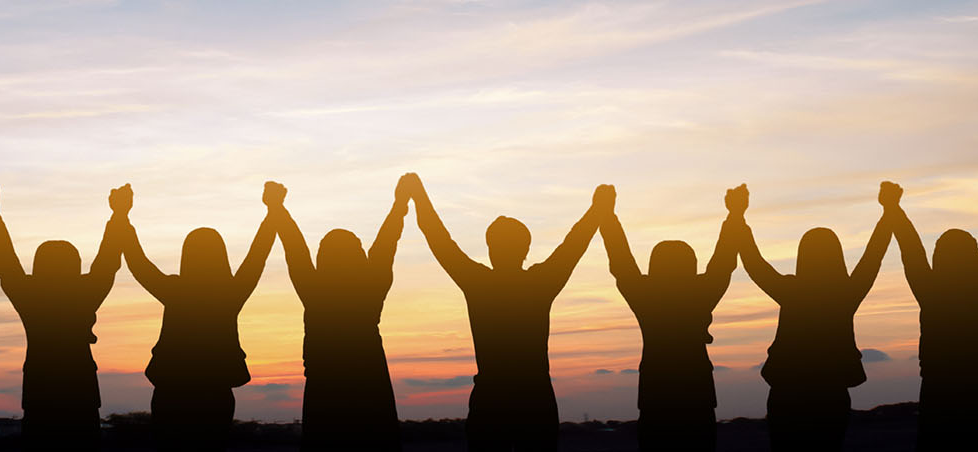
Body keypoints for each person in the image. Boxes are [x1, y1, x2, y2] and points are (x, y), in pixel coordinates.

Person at [414, 181, 607, 451]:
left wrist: (418, 196)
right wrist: (597, 210)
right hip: (535, 399)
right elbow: (574, 243)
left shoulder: (478, 282)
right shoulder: (541, 282)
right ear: (525, 249)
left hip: (492, 400)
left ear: (491, 249)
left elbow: (439, 240)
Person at [114, 182, 280, 451]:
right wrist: (273, 212)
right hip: (214, 392)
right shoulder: (230, 293)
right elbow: (257, 256)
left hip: (172, 392)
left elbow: (137, 262)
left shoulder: (175, 290)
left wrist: (122, 216)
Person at [732, 183, 894, 452]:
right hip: (830, 395)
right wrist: (889, 213)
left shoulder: (792, 290)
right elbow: (873, 256)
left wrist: (738, 217)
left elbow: (753, 262)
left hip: (787, 394)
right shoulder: (846, 293)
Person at [271, 174, 412, 450]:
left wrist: (277, 208)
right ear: (360, 257)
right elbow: (386, 244)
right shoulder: (370, 287)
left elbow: (294, 248)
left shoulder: (314, 291)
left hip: (325, 392)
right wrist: (399, 204)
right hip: (371, 389)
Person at [883, 177, 978, 452]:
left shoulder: (931, 290)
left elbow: (910, 248)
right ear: (975, 257)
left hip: (941, 391)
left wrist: (893, 208)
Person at [0, 183, 126, 451]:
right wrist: (119, 215)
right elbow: (107, 261)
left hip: (41, 394)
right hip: (80, 393)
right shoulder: (85, 293)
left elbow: (4, 260)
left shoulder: (30, 296)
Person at [597, 185, 739, 451]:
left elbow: (621, 261)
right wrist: (734, 216)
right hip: (696, 397)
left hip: (656, 398)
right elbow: (723, 262)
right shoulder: (700, 294)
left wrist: (607, 216)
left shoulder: (646, 298)